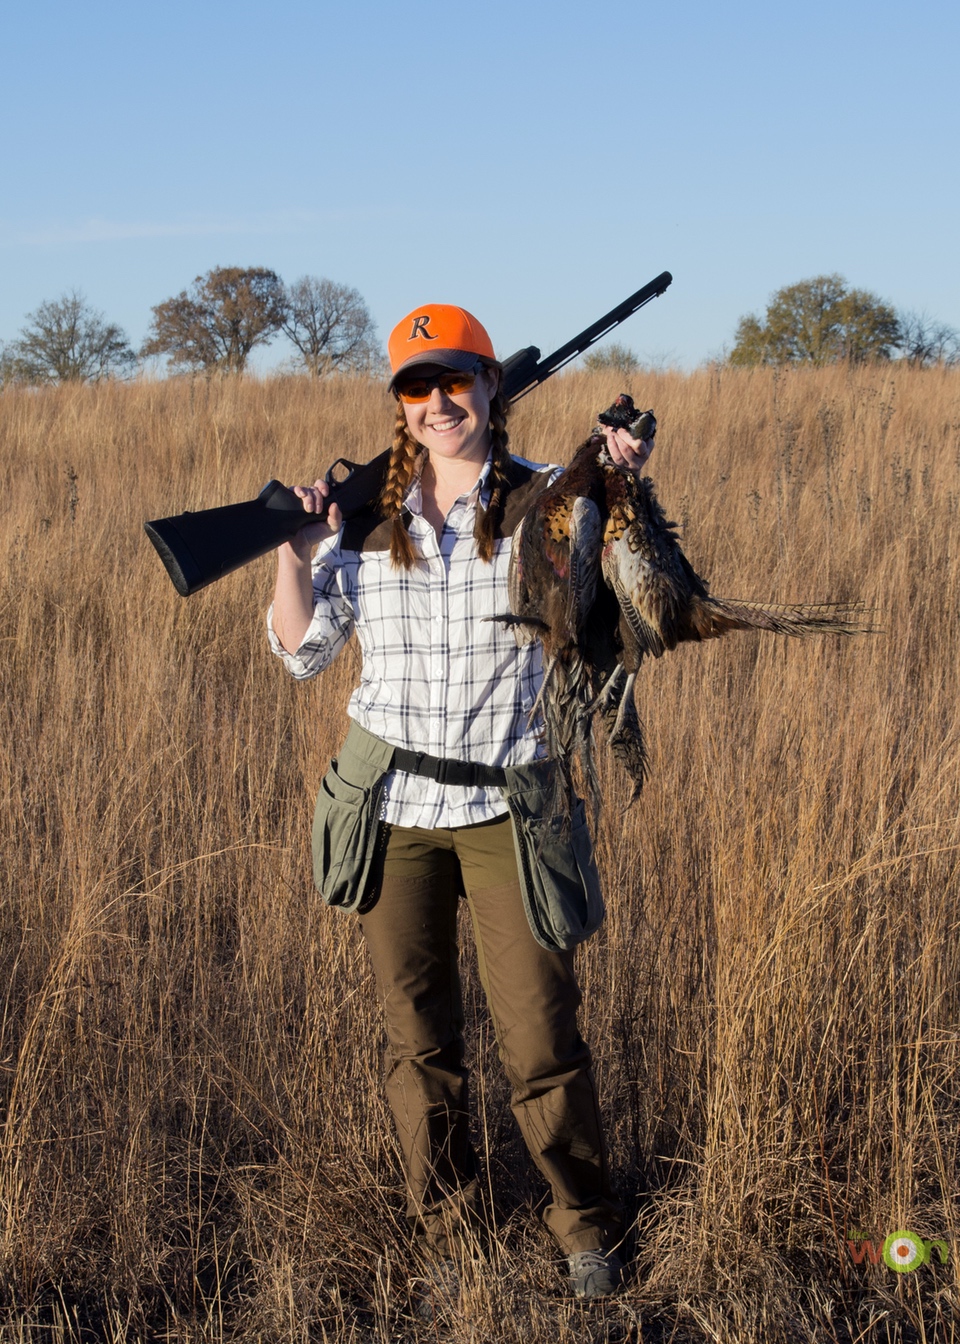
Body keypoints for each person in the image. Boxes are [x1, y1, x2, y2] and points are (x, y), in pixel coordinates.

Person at [268, 304, 653, 1303]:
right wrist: (290, 543)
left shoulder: (543, 502)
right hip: (391, 813)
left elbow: (615, 605)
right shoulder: (362, 521)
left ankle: (583, 1228)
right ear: (398, 407)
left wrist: (619, 485)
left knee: (539, 1038)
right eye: (416, 387)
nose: (439, 404)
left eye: (456, 382)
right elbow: (303, 654)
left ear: (491, 389)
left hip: (509, 810)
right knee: (418, 1039)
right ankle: (450, 1235)